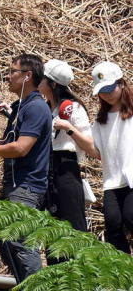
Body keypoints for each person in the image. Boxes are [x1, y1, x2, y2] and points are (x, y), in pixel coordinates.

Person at [0, 53, 52, 283]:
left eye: (13, 72)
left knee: (20, 242)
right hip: (14, 185)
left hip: (27, 187)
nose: (8, 76)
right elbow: (8, 142)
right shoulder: (21, 106)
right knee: (6, 241)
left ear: (28, 76)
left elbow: (21, 148)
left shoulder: (36, 108)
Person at [37, 59, 93, 245]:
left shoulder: (73, 107)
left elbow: (90, 146)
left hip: (66, 168)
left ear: (52, 84)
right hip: (47, 168)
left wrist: (69, 128)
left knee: (72, 223)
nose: (39, 81)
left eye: (42, 78)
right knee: (51, 228)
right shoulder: (46, 108)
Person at [88, 62, 133, 253]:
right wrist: (72, 131)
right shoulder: (101, 121)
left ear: (121, 84)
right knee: (113, 224)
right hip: (112, 181)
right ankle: (124, 271)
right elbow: (94, 150)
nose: (106, 94)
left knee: (131, 218)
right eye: (101, 91)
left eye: (109, 88)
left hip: (130, 178)